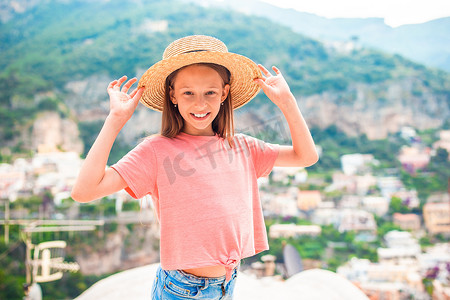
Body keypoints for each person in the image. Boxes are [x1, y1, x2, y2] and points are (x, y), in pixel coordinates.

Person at [71, 35, 318, 299]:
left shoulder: (243, 147)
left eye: (210, 92)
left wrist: (287, 102)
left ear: (224, 93)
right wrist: (115, 119)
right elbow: (84, 191)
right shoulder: (156, 151)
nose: (200, 104)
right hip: (182, 290)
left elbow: (306, 156)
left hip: (226, 285)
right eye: (188, 92)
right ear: (173, 96)